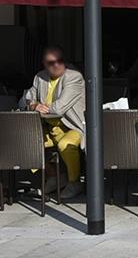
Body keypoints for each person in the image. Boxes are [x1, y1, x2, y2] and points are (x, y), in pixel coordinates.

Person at [21, 47, 88, 186]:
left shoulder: (74, 77)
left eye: (60, 61)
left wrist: (38, 109)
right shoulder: (40, 77)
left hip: (73, 126)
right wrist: (33, 106)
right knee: (25, 143)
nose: (56, 65)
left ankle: (74, 182)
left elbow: (59, 108)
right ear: (44, 64)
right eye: (51, 63)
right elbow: (24, 100)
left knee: (66, 145)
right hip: (50, 127)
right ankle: (54, 176)